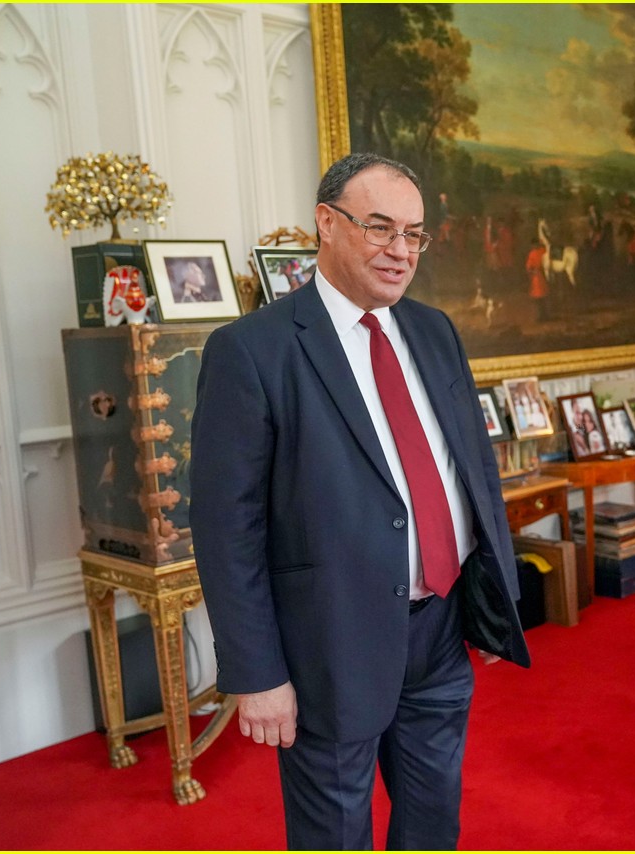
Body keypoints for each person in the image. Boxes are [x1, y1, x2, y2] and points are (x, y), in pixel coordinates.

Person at [190, 153, 530, 851]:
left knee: (435, 821)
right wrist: (257, 674)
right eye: (380, 228)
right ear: (326, 222)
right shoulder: (251, 351)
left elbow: (471, 470)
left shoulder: (435, 330)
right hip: (329, 640)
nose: (401, 250)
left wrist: (493, 601)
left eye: (415, 233)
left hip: (438, 628)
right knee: (334, 833)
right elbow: (228, 528)